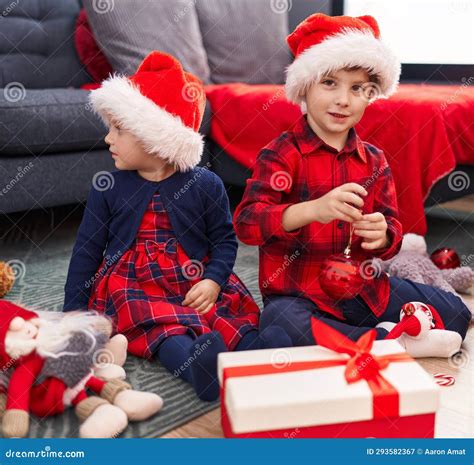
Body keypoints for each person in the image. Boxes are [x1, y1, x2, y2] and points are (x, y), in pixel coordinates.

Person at [233, 13, 471, 357]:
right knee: (279, 324)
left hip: (367, 290)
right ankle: (391, 342)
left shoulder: (374, 160)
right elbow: (247, 224)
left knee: (457, 313)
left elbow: (392, 234)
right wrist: (312, 210)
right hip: (301, 296)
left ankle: (368, 338)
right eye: (330, 83)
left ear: (370, 95)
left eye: (358, 88)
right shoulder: (280, 154)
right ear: (305, 86)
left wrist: (383, 234)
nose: (344, 99)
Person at [64, 51, 289, 401]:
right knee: (163, 330)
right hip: (137, 282)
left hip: (195, 275)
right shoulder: (107, 186)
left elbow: (225, 241)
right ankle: (199, 370)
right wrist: (74, 316)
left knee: (226, 316)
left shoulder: (205, 184)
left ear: (155, 136)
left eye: (118, 129)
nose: (108, 139)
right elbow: (87, 251)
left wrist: (214, 279)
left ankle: (260, 352)